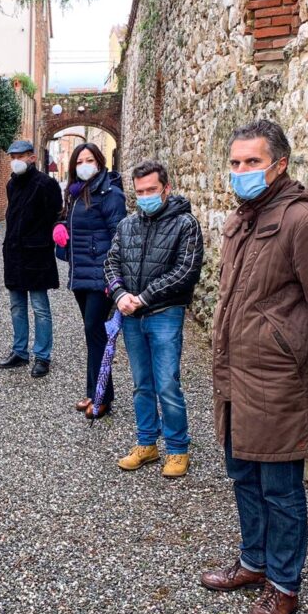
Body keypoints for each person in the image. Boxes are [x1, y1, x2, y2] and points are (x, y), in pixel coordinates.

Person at [200, 121, 308, 614]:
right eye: (235, 162)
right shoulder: (242, 218)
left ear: (280, 164)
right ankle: (254, 561)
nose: (241, 171)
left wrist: (289, 344)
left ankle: (284, 584)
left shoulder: (304, 220)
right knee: (244, 476)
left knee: (281, 488)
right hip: (235, 376)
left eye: (252, 161)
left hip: (276, 380)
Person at [104, 160, 204, 477]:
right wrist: (119, 293)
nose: (145, 196)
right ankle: (146, 443)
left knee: (168, 384)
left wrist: (144, 297)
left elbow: (186, 271)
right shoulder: (127, 225)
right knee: (141, 384)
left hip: (164, 314)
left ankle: (177, 448)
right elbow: (112, 262)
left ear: (166, 188)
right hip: (132, 316)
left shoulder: (186, 225)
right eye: (140, 191)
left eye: (152, 190)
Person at [55, 143, 126, 416]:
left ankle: (102, 396)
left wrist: (114, 278)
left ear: (99, 162)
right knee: (91, 334)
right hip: (81, 273)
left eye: (89, 160)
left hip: (101, 275)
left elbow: (119, 237)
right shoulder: (76, 192)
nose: (84, 165)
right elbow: (76, 226)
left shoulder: (110, 194)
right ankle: (92, 390)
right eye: (79, 161)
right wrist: (61, 228)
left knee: (96, 331)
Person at [0, 139, 63, 378]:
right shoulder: (11, 184)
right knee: (17, 306)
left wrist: (50, 236)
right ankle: (20, 351)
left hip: (37, 254)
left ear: (32, 158)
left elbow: (55, 215)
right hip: (14, 253)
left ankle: (42, 356)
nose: (16, 161)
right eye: (13, 157)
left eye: (21, 156)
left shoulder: (46, 184)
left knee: (40, 307)